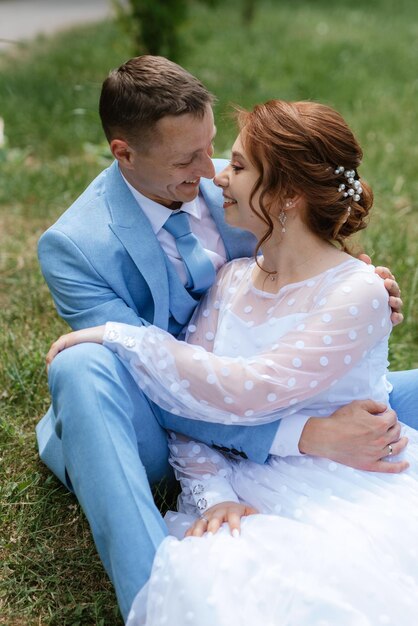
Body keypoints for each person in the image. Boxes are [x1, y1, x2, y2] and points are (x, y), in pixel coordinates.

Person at [37, 56, 416, 621]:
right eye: (188, 159)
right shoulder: (75, 246)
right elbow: (177, 383)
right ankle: (149, 587)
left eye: (214, 148)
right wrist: (304, 436)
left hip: (279, 386)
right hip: (160, 412)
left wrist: (358, 292)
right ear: (125, 153)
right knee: (82, 366)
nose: (211, 171)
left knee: (386, 402)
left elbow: (303, 258)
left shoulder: (243, 186)